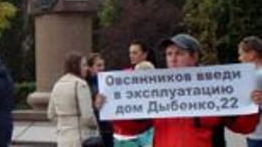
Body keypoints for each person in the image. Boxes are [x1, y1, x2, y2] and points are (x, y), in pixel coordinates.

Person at [96, 33, 262, 147]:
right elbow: (135, 127)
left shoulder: (217, 88)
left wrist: (252, 106)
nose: (173, 58)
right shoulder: (155, 90)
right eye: (169, 54)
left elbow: (243, 127)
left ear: (195, 56)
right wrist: (111, 107)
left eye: (179, 53)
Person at [48, 52, 99, 147]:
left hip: (62, 138)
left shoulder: (57, 85)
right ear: (76, 67)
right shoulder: (81, 85)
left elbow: (51, 114)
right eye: (83, 65)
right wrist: (95, 126)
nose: (86, 68)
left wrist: (64, 124)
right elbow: (87, 116)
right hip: (80, 137)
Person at [238, 36, 262, 147]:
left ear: (252, 54)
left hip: (258, 134)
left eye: (241, 54)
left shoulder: (256, 76)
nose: (240, 58)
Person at [86, 54, 112, 147]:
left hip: (108, 127)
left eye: (103, 65)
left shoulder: (107, 82)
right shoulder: (85, 85)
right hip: (95, 128)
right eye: (99, 65)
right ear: (90, 68)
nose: (102, 68)